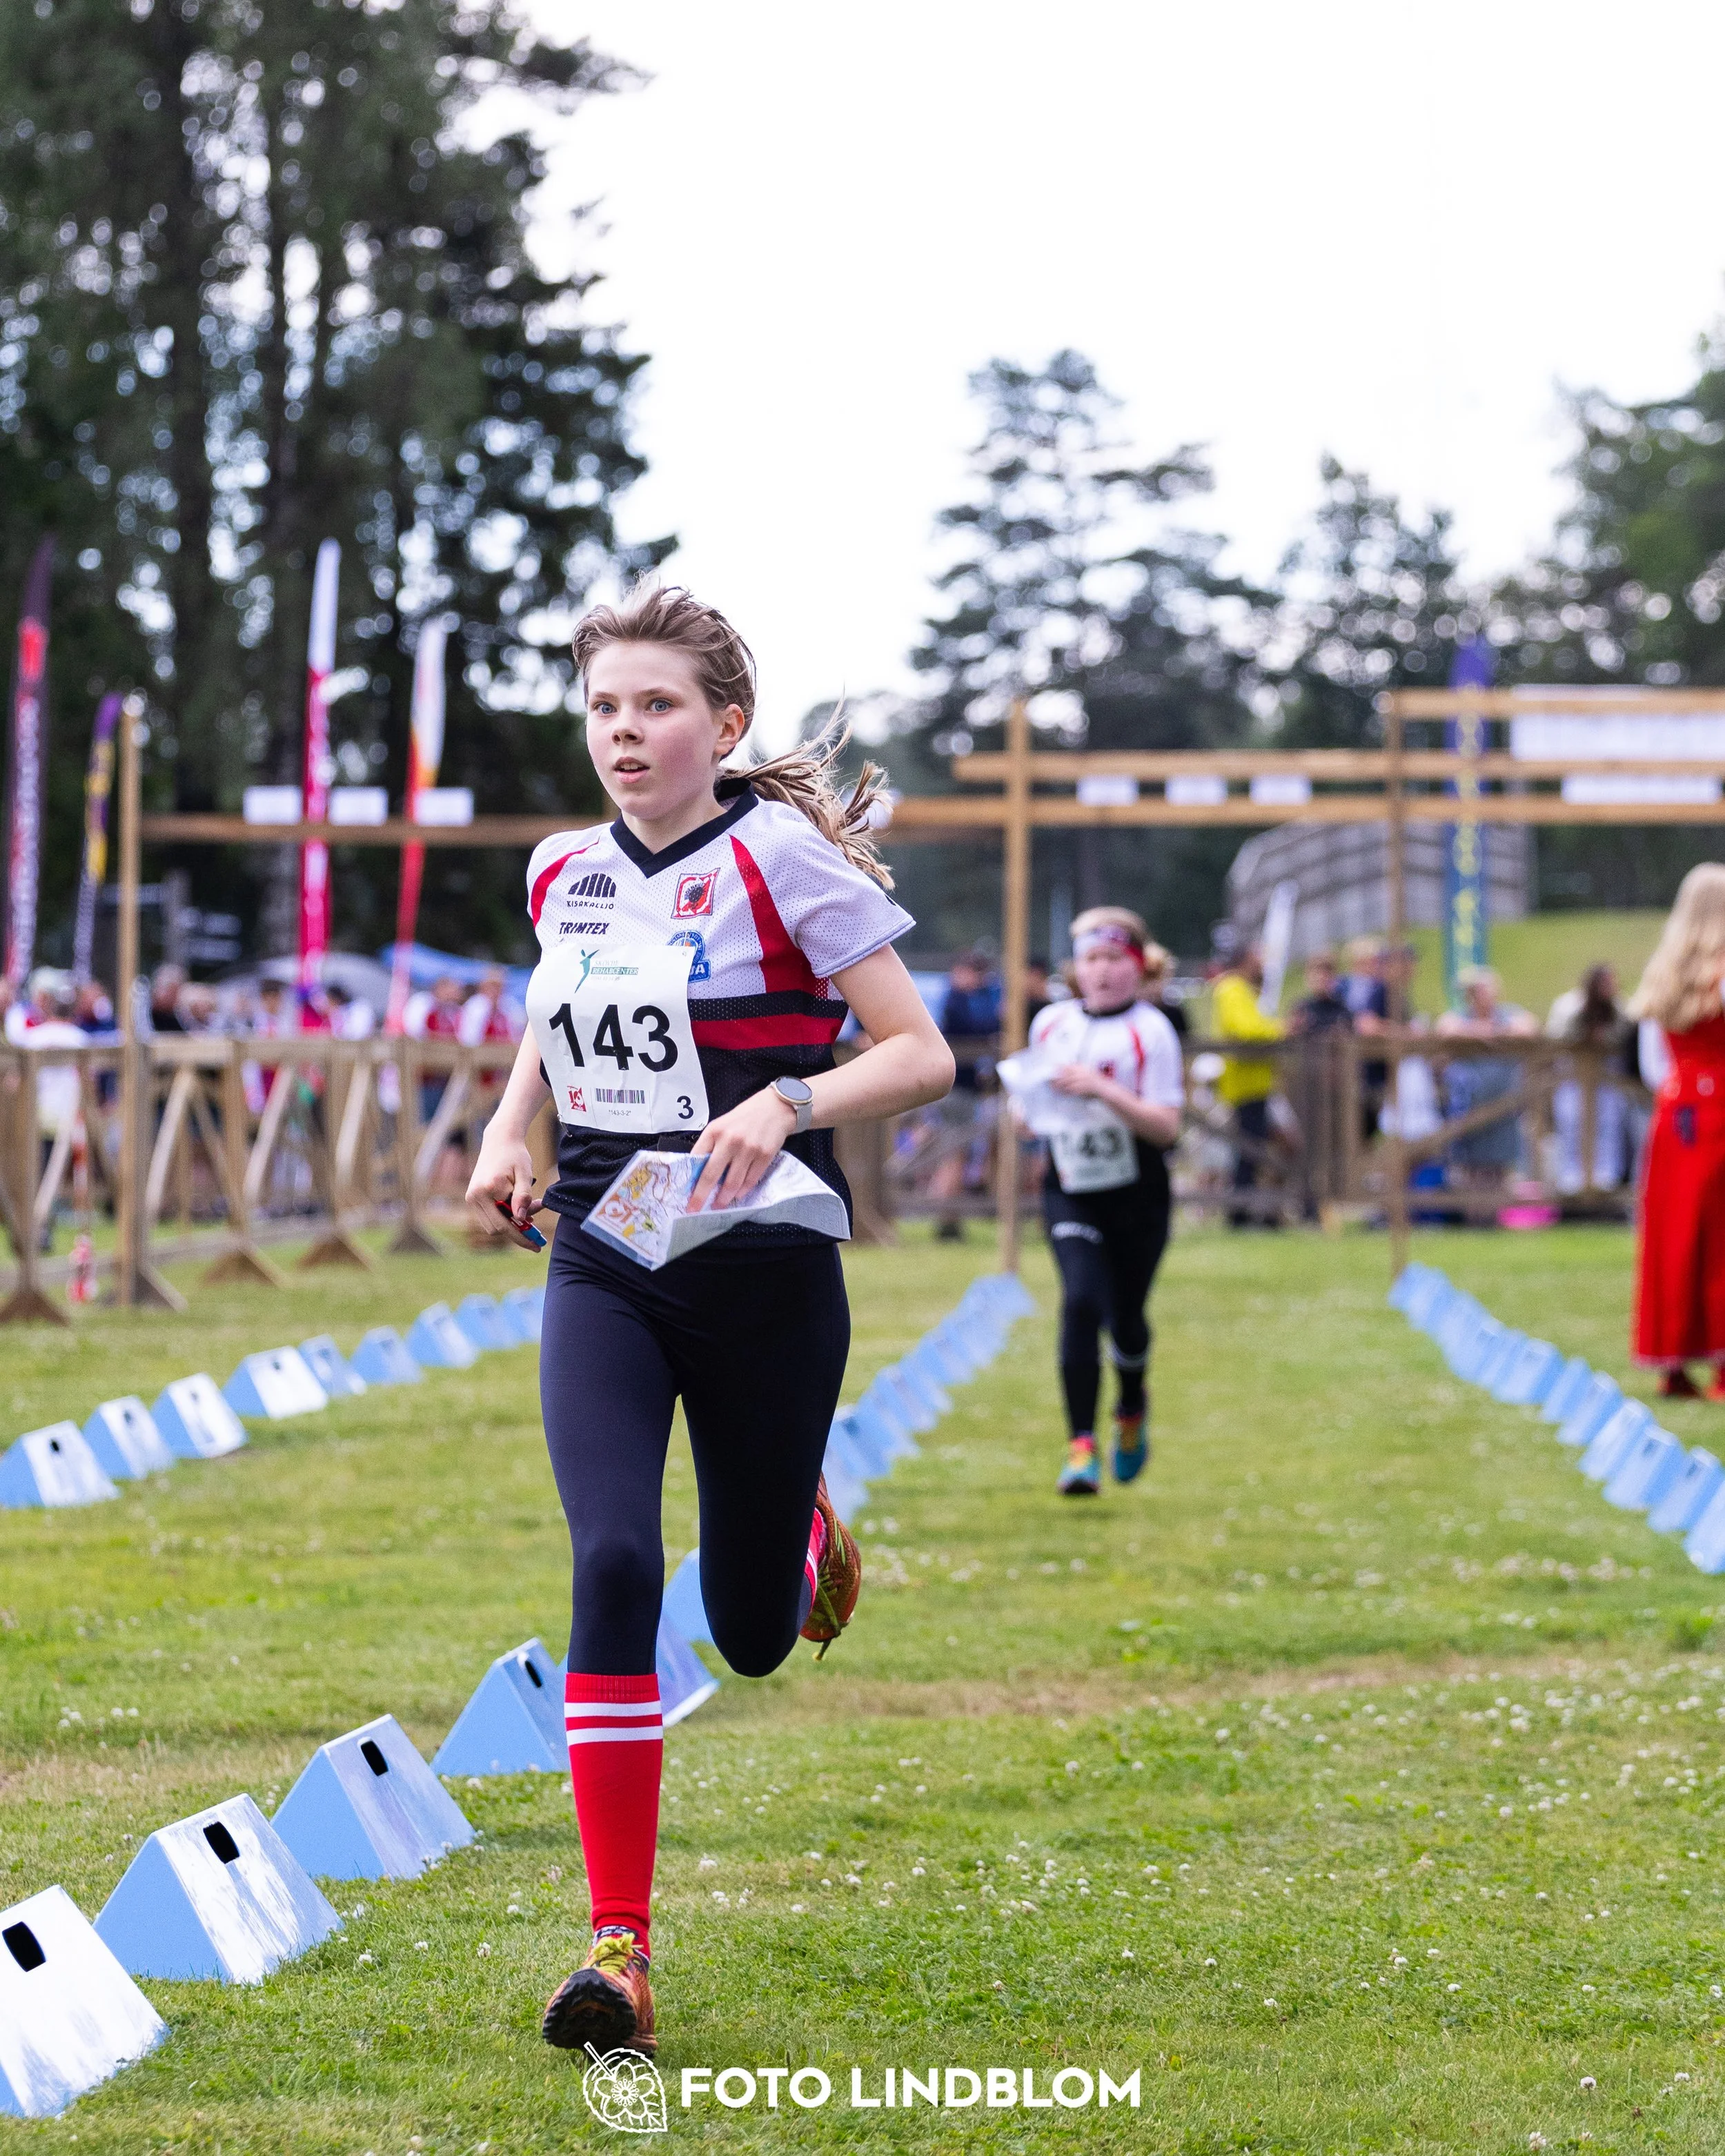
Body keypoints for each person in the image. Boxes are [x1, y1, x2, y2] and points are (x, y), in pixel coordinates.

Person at [465, 584, 952, 2057]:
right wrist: (508, 1127)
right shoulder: (561, 871)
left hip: (764, 1266)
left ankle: (793, 1517)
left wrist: (786, 1098)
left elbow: (920, 1050)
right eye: (606, 706)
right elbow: (555, 1029)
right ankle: (618, 1945)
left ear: (722, 724)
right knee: (611, 1557)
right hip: (604, 1255)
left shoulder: (782, 862)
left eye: (656, 705)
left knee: (745, 1631)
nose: (625, 731)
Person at [1024, 906, 1183, 1497]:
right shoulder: (1051, 1024)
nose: (1103, 971)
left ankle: (1133, 1403)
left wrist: (1103, 1089)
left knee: (1128, 1318)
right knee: (1082, 1301)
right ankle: (1081, 1448)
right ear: (1077, 969)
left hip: (1138, 1191)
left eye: (1115, 958)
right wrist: (1024, 1113)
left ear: (1138, 968)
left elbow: (1167, 1127)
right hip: (1071, 1187)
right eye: (1092, 958)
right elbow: (1032, 1106)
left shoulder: (1153, 1030)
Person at [1628, 866, 1725, 1398]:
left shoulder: (1662, 972)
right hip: (1720, 1113)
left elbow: (1651, 1064)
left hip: (1675, 1116)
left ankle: (1674, 1363)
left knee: (1675, 1234)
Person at [1436, 965, 1537, 1191]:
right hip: (1469, 1104)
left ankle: (1495, 1215)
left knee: (1501, 1166)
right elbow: (1447, 1029)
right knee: (1470, 1166)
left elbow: (1529, 1028)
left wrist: (1486, 1033)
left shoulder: (1509, 1012)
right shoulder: (1458, 1016)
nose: (1479, 996)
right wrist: (1489, 1032)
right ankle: (1475, 1216)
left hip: (1504, 1104)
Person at [1211, 941, 1285, 1226]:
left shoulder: (1241, 989)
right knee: (1249, 1150)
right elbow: (1247, 1029)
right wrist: (1281, 1029)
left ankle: (1249, 1211)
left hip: (1254, 1082)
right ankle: (1240, 1213)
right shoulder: (1232, 988)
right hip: (1246, 1083)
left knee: (1255, 1149)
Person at [929, 952, 1000, 1239]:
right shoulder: (954, 1002)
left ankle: (949, 1217)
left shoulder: (968, 998)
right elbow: (979, 1029)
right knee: (953, 1155)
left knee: (957, 1154)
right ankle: (947, 1219)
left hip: (965, 1089)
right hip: (955, 1088)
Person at [1545, 962, 1630, 1191]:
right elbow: (1557, 1036)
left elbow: (1624, 1034)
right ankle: (1571, 1181)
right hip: (1571, 1078)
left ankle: (1607, 1178)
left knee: (1609, 1126)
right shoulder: (1568, 1005)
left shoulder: (1618, 1008)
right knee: (1571, 1124)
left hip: (1608, 1079)